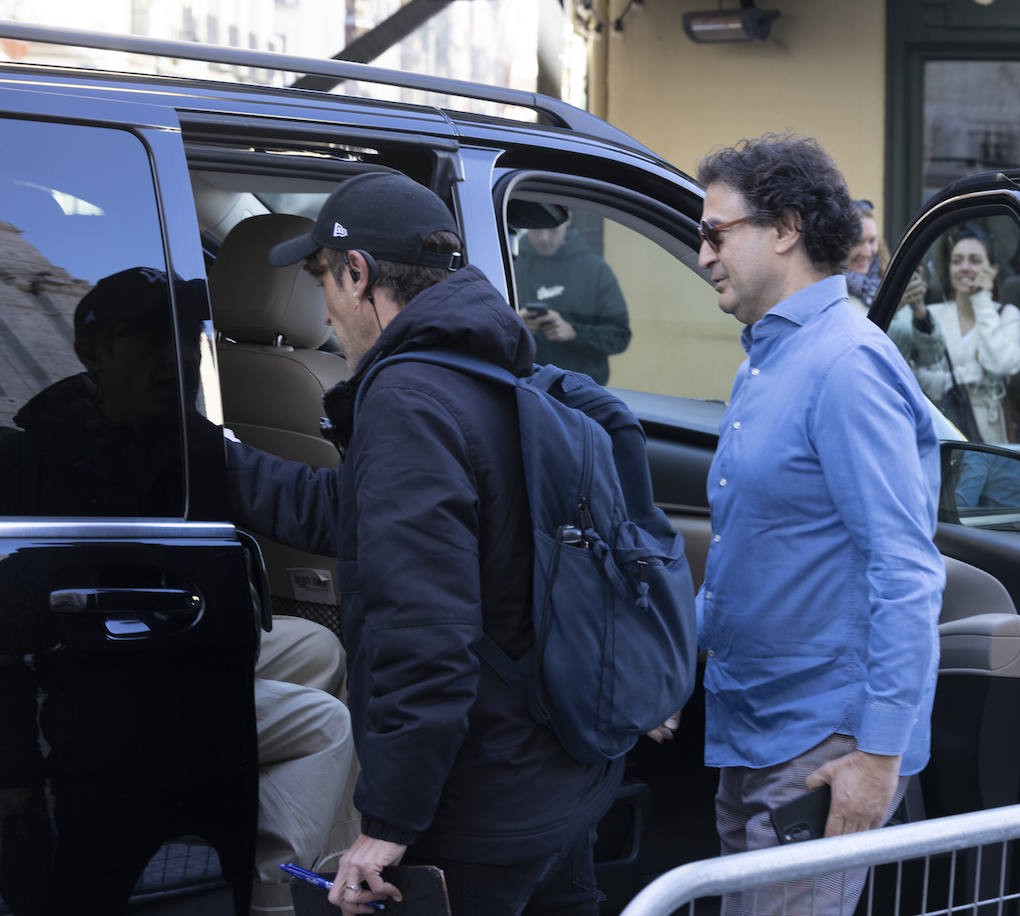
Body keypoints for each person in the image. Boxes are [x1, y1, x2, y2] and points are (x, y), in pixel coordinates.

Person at [224, 171, 621, 915]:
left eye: (323, 283)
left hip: (480, 809)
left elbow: (425, 629)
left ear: (358, 273)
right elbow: (354, 512)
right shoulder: (487, 370)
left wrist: (389, 822)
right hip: (554, 775)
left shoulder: (408, 401)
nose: (326, 313)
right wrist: (209, 460)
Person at [0, 267, 355, 914]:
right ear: (92, 353)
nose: (173, 359)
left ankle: (296, 851)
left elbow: (313, 512)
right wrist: (18, 769)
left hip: (160, 655)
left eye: (185, 340)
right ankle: (274, 893)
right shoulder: (36, 460)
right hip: (98, 691)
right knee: (326, 725)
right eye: (144, 339)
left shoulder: (185, 440)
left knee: (317, 647)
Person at [688, 135, 944, 916]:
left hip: (819, 745)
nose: (704, 256)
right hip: (752, 729)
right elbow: (756, 553)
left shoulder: (846, 366)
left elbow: (905, 571)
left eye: (716, 233)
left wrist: (876, 757)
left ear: (786, 228)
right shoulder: (767, 360)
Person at [893, 228, 1020, 443]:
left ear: (993, 269)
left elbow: (1001, 364)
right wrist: (974, 375)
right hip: (942, 433)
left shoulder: (1007, 314)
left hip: (991, 441)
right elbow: (917, 378)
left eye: (974, 260)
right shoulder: (930, 315)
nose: (965, 268)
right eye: (957, 261)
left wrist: (982, 299)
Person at [514, 215, 630, 384]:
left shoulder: (595, 269)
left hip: (582, 394)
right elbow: (486, 329)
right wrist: (515, 324)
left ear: (567, 218)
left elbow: (620, 337)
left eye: (552, 229)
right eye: (536, 229)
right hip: (523, 387)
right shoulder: (509, 263)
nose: (544, 238)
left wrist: (574, 332)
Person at [842, 198, 884, 312]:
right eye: (858, 242)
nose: (867, 252)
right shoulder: (833, 295)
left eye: (872, 241)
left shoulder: (885, 284)